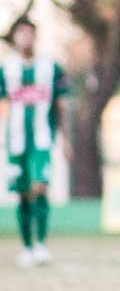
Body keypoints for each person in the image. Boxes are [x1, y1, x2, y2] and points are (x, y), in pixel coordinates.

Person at [2, 17, 71, 267]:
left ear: (36, 36)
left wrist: (65, 139)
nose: (26, 37)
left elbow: (62, 104)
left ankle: (41, 245)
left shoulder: (51, 68)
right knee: (22, 194)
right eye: (21, 33)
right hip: (15, 142)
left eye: (30, 33)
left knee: (40, 186)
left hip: (42, 141)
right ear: (14, 37)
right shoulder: (6, 69)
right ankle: (27, 248)